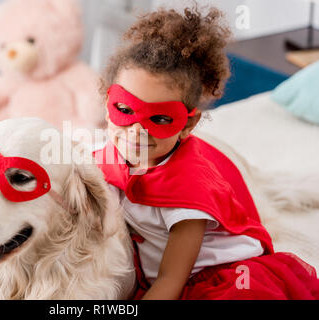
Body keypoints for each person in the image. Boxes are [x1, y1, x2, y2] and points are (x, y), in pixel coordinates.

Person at [93, 5, 319, 300]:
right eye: (125, 110)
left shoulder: (187, 198)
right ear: (107, 101)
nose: (137, 131)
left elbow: (170, 281)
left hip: (219, 280)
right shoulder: (108, 154)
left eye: (160, 119)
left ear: (188, 123)